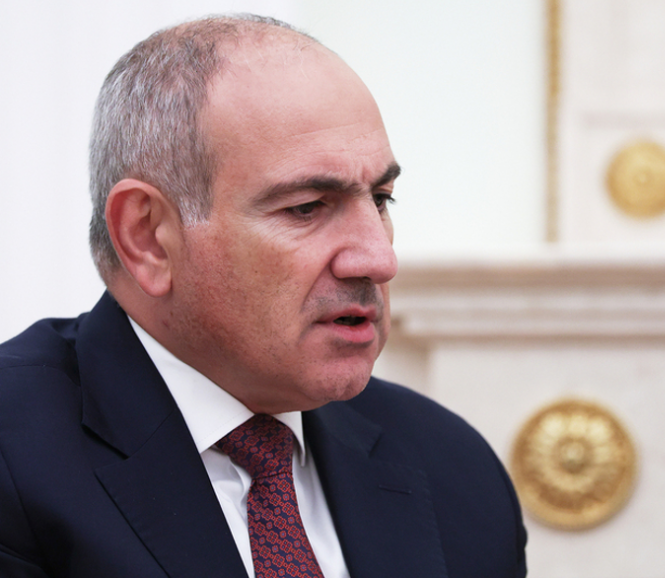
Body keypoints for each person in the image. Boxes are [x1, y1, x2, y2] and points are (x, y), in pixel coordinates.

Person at [0, 14, 527, 578]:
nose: (379, 259)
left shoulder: (453, 469)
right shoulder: (15, 456)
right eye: (306, 207)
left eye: (380, 199)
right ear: (148, 237)